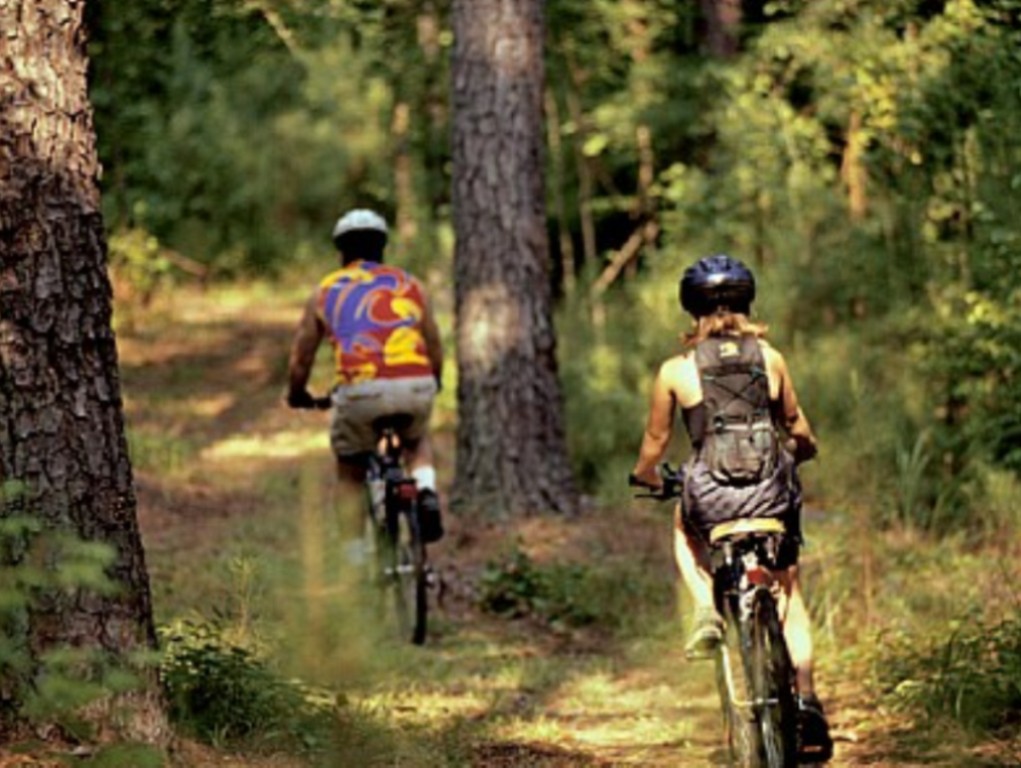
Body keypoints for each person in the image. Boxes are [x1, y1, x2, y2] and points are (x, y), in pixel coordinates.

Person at [630, 254, 832, 755]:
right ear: (747, 302)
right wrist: (802, 451)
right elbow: (798, 427)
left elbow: (655, 443)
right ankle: (806, 701)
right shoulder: (771, 358)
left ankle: (704, 608)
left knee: (682, 529)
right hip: (772, 492)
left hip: (712, 498)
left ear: (690, 309)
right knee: (789, 593)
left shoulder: (675, 371)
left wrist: (646, 476)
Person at [286, 208, 444, 543]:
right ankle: (427, 489)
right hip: (415, 383)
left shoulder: (326, 291)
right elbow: (434, 345)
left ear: (341, 251)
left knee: (351, 472)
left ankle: (354, 561)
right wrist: (436, 380)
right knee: (415, 442)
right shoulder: (410, 284)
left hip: (360, 392)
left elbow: (302, 356)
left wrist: (296, 393)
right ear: (382, 248)